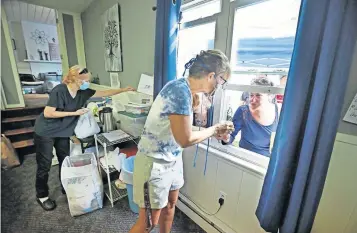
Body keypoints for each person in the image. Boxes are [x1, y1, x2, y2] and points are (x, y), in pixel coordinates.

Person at [129, 50, 234, 233]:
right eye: (222, 81)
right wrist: (213, 130)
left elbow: (182, 129)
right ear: (211, 76)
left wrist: (212, 132)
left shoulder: (189, 92)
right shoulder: (179, 91)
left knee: (170, 206)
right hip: (154, 163)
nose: (221, 86)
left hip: (172, 160)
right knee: (148, 223)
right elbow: (185, 139)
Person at [34, 65, 135, 211]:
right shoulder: (60, 90)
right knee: (45, 164)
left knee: (64, 160)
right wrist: (75, 113)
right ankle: (42, 195)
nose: (87, 83)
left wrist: (123, 89)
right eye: (85, 80)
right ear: (75, 78)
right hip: (46, 131)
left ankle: (65, 186)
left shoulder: (83, 92)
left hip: (63, 132)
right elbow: (48, 113)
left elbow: (104, 92)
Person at [223, 76, 278, 157]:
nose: (253, 99)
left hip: (266, 161)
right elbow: (231, 136)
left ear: (270, 96)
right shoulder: (243, 111)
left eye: (258, 95)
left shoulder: (277, 110)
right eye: (251, 95)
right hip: (246, 159)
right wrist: (226, 138)